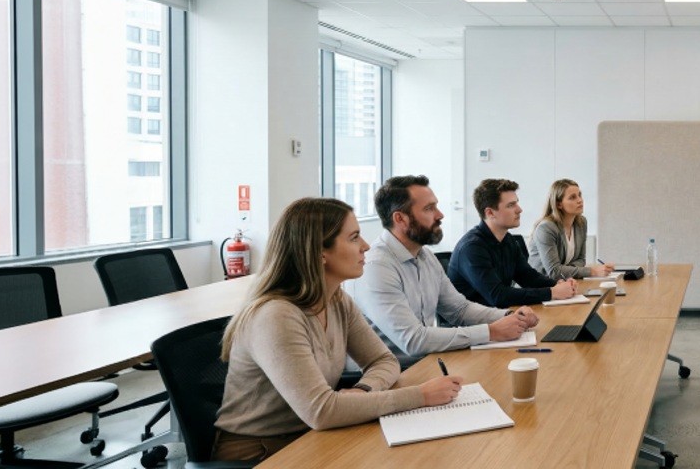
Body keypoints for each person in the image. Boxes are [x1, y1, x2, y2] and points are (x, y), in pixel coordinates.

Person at [213, 197, 464, 461]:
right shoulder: (276, 315)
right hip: (261, 452)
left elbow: (383, 360)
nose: (366, 246)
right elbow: (321, 411)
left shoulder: (336, 299)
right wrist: (420, 396)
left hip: (315, 434)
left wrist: (363, 391)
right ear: (320, 253)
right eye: (354, 237)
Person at [352, 175, 540, 365]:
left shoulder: (425, 256)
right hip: (399, 376)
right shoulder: (376, 267)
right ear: (400, 218)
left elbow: (459, 309)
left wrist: (509, 316)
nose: (440, 215)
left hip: (432, 362)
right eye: (429, 208)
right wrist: (491, 331)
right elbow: (413, 340)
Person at [449, 178, 578, 307]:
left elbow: (528, 277)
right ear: (490, 212)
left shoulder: (508, 239)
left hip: (498, 315)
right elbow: (498, 296)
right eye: (511, 205)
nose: (519, 209)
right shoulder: (472, 248)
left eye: (517, 203)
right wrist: (551, 292)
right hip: (472, 323)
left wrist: (559, 284)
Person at [528, 178, 615, 280]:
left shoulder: (581, 223)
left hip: (564, 282)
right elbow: (554, 272)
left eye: (579, 195)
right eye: (572, 197)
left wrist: (564, 270)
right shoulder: (546, 228)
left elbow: (581, 260)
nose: (579, 200)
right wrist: (593, 271)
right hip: (539, 287)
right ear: (558, 204)